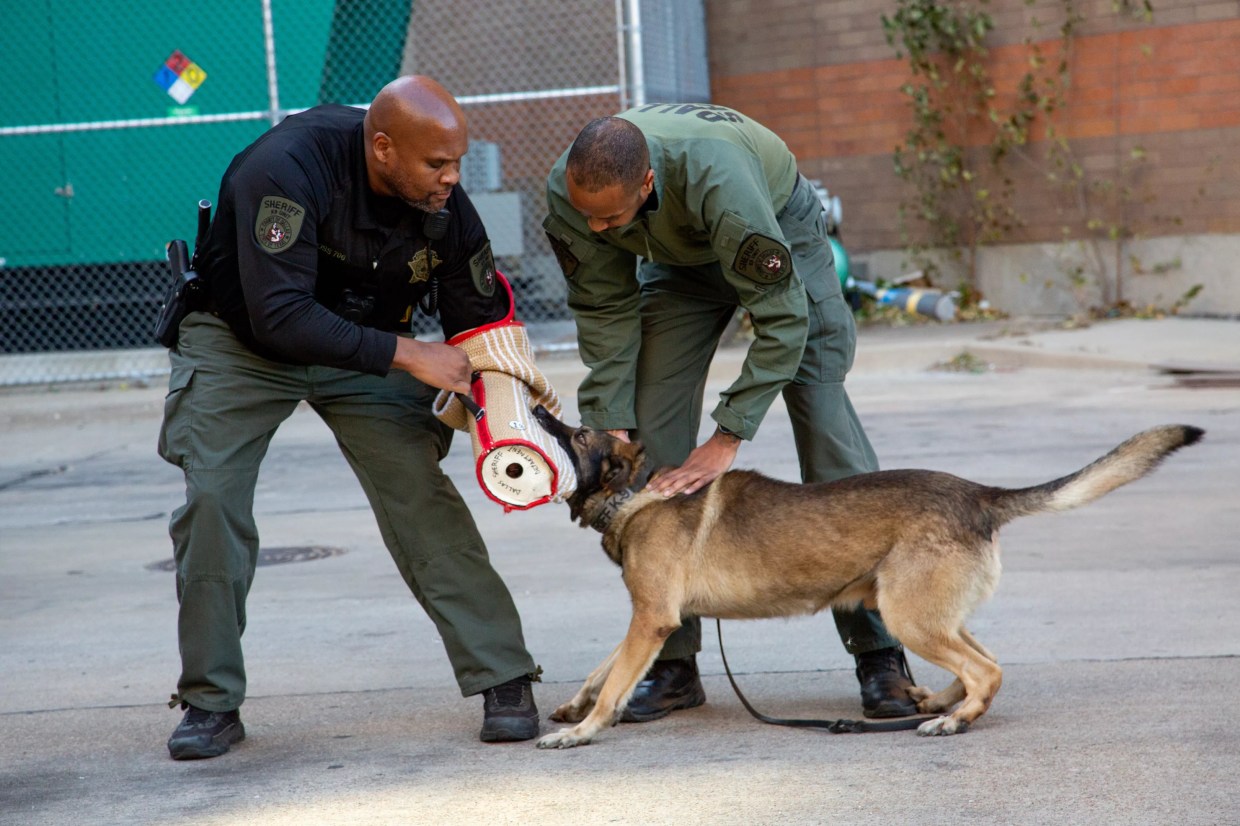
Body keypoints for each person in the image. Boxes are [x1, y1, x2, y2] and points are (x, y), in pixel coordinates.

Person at [158, 75, 541, 760]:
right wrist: (411, 355)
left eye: (457, 161)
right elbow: (280, 317)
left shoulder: (445, 202)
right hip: (242, 339)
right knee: (213, 498)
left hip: (366, 348)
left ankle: (504, 676)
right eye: (437, 165)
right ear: (384, 147)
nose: (452, 178)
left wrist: (513, 418)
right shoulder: (284, 170)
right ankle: (209, 701)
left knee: (419, 493)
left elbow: (480, 319)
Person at [542, 103, 917, 723]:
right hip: (677, 261)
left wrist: (727, 434)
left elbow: (781, 320)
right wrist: (609, 420)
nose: (601, 230)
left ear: (647, 183)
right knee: (651, 435)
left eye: (610, 217)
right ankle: (671, 662)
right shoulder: (576, 194)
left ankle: (880, 653)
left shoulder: (722, 182)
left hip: (777, 232)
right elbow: (604, 311)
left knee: (827, 432)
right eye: (590, 217)